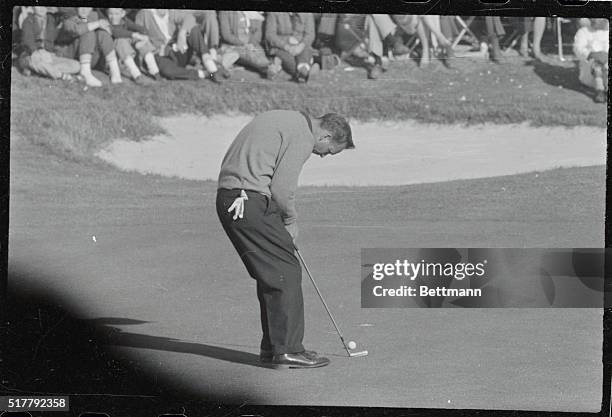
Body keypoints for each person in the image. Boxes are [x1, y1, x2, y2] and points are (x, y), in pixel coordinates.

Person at [216, 110, 354, 369]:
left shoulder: (285, 118)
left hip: (232, 198)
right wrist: (290, 221)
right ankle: (288, 350)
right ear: (325, 135)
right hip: (247, 200)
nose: (321, 155)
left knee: (274, 272)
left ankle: (274, 348)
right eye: (327, 151)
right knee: (286, 271)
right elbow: (282, 188)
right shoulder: (302, 134)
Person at [135, 9, 216, 82]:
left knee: (193, 29)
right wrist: (156, 50)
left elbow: (189, 17)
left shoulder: (171, 12)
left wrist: (182, 33)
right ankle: (206, 74)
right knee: (168, 71)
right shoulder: (144, 14)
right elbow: (138, 38)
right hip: (162, 56)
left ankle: (210, 64)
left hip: (179, 49)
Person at [56, 7, 123, 87]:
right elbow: (76, 30)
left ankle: (115, 71)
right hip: (70, 56)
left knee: (102, 34)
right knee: (87, 32)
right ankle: (85, 73)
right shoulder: (69, 16)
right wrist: (97, 24)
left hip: (89, 56)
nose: (85, 9)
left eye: (88, 7)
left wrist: (107, 29)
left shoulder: (93, 15)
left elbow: (111, 29)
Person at [18, 6, 80, 80]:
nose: (41, 8)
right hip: (31, 55)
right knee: (34, 62)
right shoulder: (28, 21)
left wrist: (57, 8)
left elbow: (67, 13)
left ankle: (39, 71)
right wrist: (38, 52)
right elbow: (27, 41)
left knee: (76, 65)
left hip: (48, 56)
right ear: (33, 7)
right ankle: (62, 76)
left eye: (44, 6)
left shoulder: (51, 19)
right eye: (38, 6)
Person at [106, 8, 157, 84]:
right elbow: (116, 33)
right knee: (121, 40)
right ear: (107, 13)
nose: (113, 17)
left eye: (116, 14)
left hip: (127, 52)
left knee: (141, 40)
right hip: (116, 56)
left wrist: (144, 33)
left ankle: (154, 71)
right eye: (110, 14)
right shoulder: (106, 23)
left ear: (122, 14)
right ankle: (136, 75)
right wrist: (135, 35)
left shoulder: (124, 20)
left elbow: (136, 27)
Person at [218, 11, 275, 78]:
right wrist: (243, 44)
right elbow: (226, 35)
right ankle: (268, 67)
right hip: (234, 45)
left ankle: (267, 68)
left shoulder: (250, 13)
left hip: (250, 44)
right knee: (248, 54)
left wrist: (252, 43)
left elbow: (256, 33)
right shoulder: (224, 13)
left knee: (258, 51)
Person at [265, 12, 316, 82]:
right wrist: (287, 46)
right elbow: (270, 35)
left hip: (300, 45)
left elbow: (310, 35)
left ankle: (303, 70)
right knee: (290, 60)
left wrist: (300, 46)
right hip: (280, 46)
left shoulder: (307, 14)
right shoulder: (273, 13)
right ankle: (305, 70)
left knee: (305, 50)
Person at [573, 18, 608, 103]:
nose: (595, 20)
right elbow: (578, 49)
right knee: (597, 63)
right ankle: (599, 90)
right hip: (590, 71)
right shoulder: (584, 32)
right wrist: (591, 54)